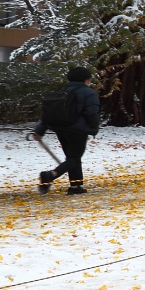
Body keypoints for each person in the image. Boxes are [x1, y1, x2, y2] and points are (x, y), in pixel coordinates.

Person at [36, 66, 101, 194]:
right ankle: (51, 175)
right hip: (78, 130)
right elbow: (92, 112)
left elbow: (49, 113)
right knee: (74, 158)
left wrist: (39, 130)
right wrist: (94, 128)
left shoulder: (63, 91)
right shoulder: (89, 93)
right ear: (86, 79)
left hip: (61, 128)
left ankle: (75, 187)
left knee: (71, 157)